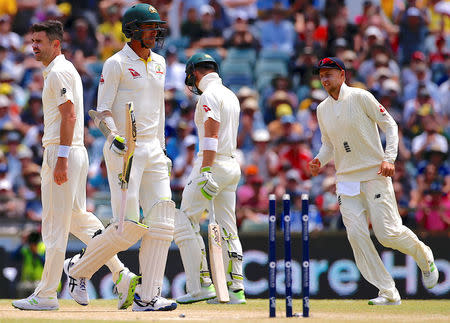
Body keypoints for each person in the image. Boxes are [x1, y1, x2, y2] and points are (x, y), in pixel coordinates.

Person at [12, 20, 135, 311]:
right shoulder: (59, 71)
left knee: (54, 227)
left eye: (39, 41)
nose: (34, 46)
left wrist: (62, 159)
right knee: (79, 217)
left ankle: (45, 295)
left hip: (61, 151)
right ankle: (121, 272)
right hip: (68, 150)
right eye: (32, 41)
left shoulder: (59, 72)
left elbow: (68, 117)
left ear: (56, 44)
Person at [62, 4, 177, 312]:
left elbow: (160, 111)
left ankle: (147, 297)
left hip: (153, 149)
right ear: (133, 30)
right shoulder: (116, 63)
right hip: (125, 150)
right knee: (128, 226)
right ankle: (76, 269)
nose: (156, 32)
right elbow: (101, 111)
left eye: (156, 27)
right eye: (150, 27)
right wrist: (113, 136)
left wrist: (163, 149)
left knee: (164, 221)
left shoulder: (161, 63)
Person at [309, 57, 439, 306]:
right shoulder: (321, 109)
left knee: (387, 234)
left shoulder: (361, 97)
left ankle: (425, 257)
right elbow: (328, 144)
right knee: (356, 235)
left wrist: (389, 158)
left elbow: (390, 125)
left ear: (342, 75)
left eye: (329, 74)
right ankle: (388, 291)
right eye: (321, 75)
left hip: (374, 174)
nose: (325, 80)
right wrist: (319, 160)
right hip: (346, 179)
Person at [174, 52, 246, 304]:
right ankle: (235, 288)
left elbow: (211, 133)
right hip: (231, 165)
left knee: (185, 221)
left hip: (212, 165)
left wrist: (205, 170)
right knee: (227, 226)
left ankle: (201, 285)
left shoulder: (209, 95)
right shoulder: (230, 94)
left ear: (195, 72)